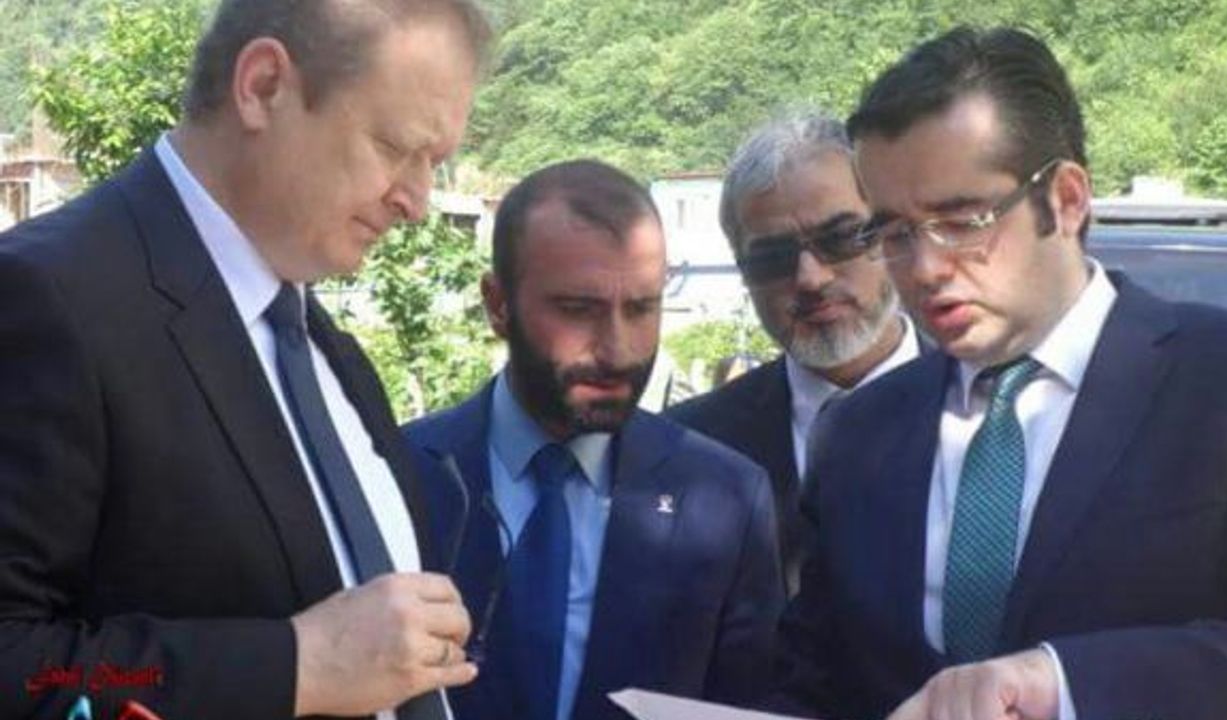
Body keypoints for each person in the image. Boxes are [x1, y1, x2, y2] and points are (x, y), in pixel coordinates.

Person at [774, 26, 1227, 720]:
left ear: (1066, 199)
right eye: (893, 234)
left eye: (962, 221)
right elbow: (813, 680)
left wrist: (1062, 684)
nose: (925, 268)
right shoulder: (858, 432)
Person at [0, 1, 489, 718]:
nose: (417, 202)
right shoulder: (44, 298)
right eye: (393, 147)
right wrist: (296, 667)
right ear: (262, 86)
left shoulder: (322, 343)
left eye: (435, 164)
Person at [403, 159, 784, 720]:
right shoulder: (400, 473)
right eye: (578, 310)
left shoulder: (726, 499)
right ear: (498, 305)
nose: (617, 350)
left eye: (641, 308)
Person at [667, 112, 919, 595]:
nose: (810, 278)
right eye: (772, 258)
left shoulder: (996, 410)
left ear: (892, 232)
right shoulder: (688, 449)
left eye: (840, 239)